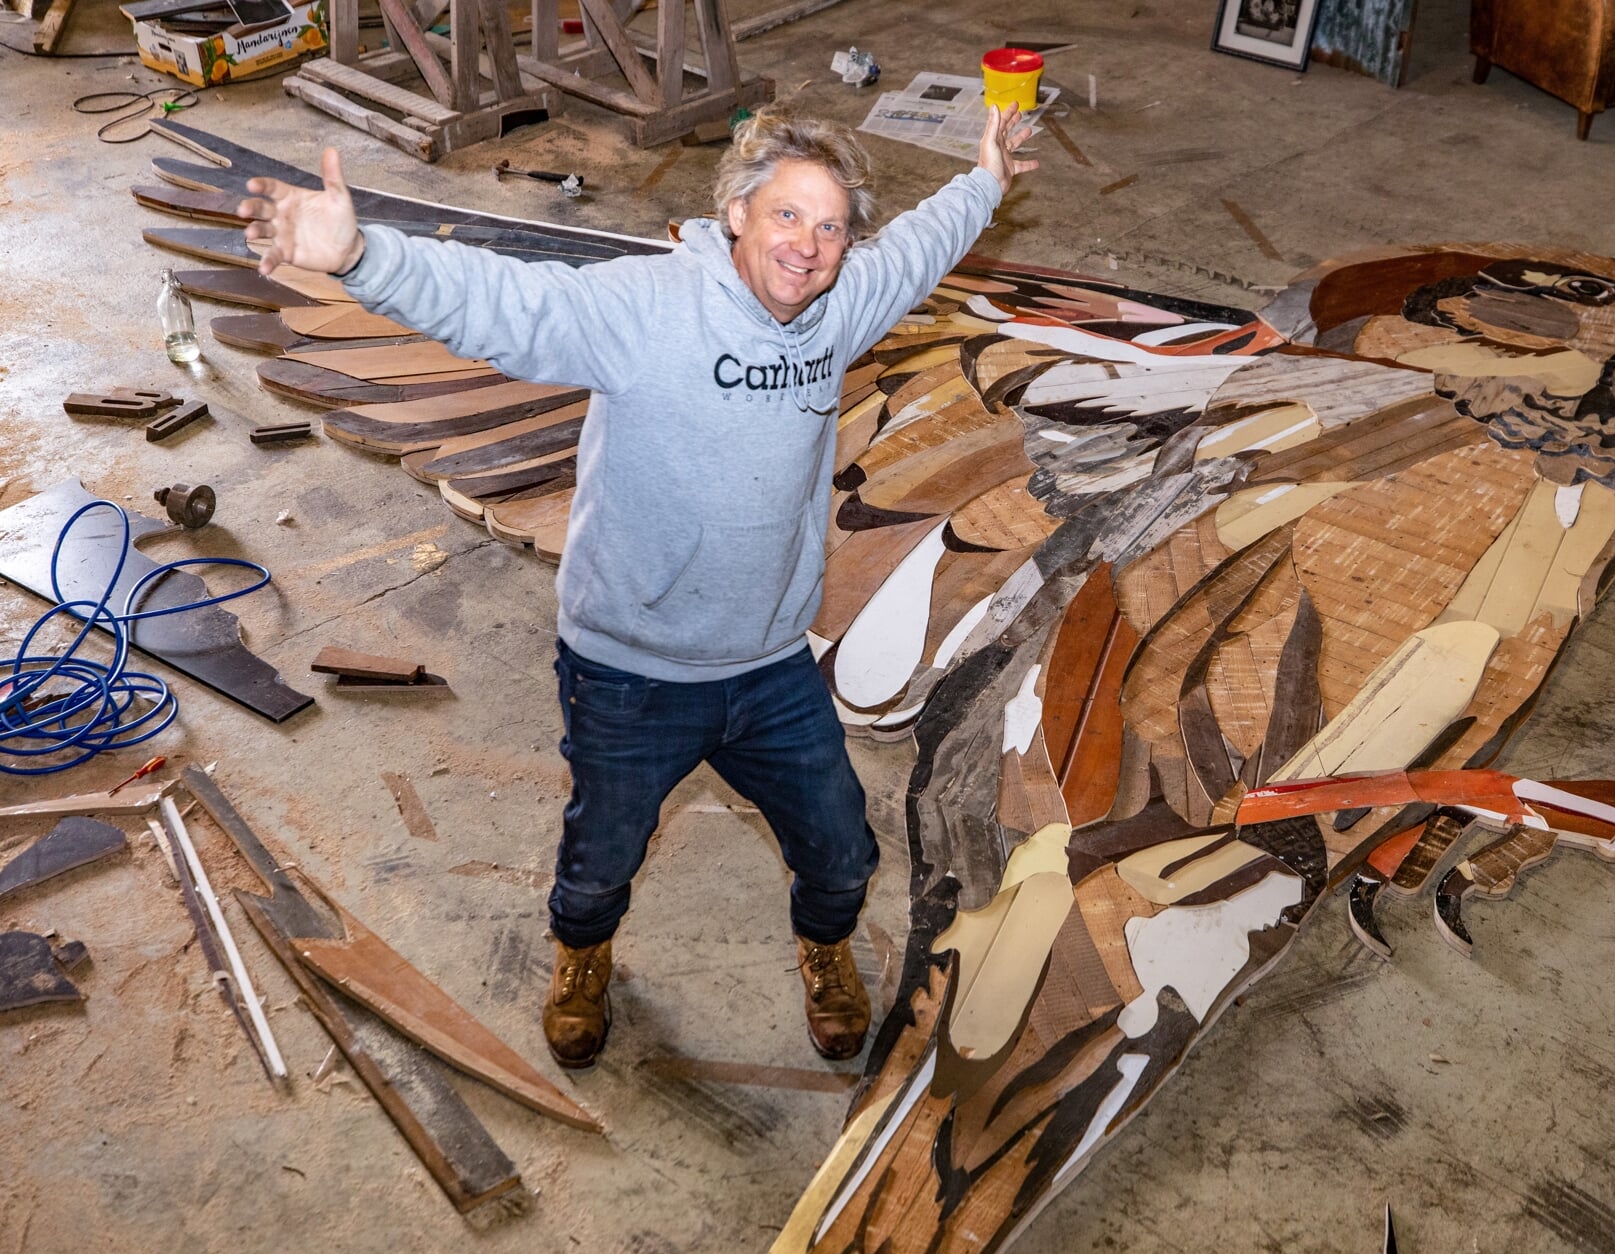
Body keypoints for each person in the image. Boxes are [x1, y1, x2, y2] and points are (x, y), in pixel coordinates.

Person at [238, 107, 1036, 1068]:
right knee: (598, 864)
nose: (809, 247)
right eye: (787, 217)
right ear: (736, 212)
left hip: (771, 664)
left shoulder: (840, 309)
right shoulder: (647, 307)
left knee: (842, 852)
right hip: (629, 668)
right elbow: (506, 303)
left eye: (830, 228)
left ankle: (824, 950)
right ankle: (583, 957)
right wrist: (363, 254)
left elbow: (915, 248)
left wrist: (985, 177)